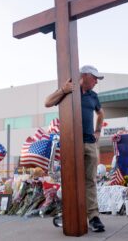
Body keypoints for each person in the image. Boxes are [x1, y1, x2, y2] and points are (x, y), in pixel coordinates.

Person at [44, 65, 105, 232]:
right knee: (70, 181)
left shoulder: (93, 96)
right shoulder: (69, 90)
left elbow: (101, 114)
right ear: (84, 76)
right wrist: (63, 90)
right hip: (71, 144)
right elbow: (47, 102)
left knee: (90, 181)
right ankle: (70, 214)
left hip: (89, 144)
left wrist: (98, 131)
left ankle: (93, 217)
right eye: (94, 78)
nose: (96, 82)